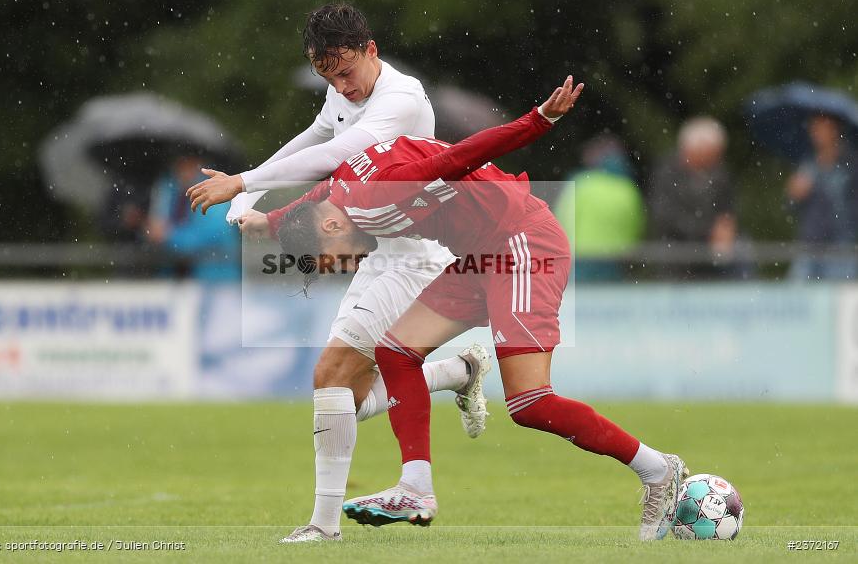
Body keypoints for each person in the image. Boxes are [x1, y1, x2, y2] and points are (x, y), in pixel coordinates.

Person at [261, 76, 689, 541]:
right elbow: (317, 192)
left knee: (529, 403)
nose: (344, 265)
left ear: (330, 224)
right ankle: (416, 488)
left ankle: (658, 470)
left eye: (333, 258)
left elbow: (461, 156)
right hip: (477, 256)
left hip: (521, 242)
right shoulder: (340, 196)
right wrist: (270, 216)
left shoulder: (375, 195)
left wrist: (538, 120)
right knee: (396, 351)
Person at [184, 3, 490, 542]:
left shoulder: (401, 98)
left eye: (346, 72)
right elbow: (314, 136)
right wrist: (250, 186)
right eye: (328, 76)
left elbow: (336, 155)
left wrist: (242, 182)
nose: (341, 87)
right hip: (381, 248)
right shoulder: (342, 87)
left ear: (371, 51)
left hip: (419, 252)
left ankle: (324, 527)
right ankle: (455, 373)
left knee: (330, 377)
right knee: (341, 393)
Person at [648, 116, 738, 279]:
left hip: (712, 264)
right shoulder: (667, 173)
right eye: (711, 154)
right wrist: (708, 231)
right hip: (676, 262)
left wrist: (726, 226)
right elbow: (664, 215)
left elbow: (727, 209)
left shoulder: (720, 174)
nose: (716, 159)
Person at [552, 133, 645, 282]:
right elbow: (636, 227)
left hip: (580, 257)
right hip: (615, 260)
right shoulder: (629, 189)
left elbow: (561, 219)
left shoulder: (581, 183)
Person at [786, 113, 858, 280]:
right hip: (810, 244)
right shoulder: (807, 163)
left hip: (841, 247)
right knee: (795, 296)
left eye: (821, 127)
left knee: (838, 300)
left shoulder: (852, 164)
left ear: (834, 129)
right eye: (814, 128)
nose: (816, 133)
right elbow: (790, 206)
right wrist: (794, 194)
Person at [146, 155, 239, 281]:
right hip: (178, 278)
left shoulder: (216, 193)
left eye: (188, 164)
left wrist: (168, 235)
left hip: (214, 279)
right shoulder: (170, 191)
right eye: (180, 165)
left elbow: (210, 235)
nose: (182, 170)